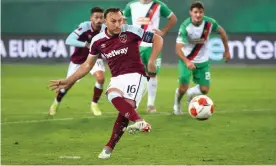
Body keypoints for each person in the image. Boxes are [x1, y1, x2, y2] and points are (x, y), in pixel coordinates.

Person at [49, 8, 163, 159]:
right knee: (112, 95)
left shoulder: (131, 31)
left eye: (120, 20)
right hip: (117, 77)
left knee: (126, 108)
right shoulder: (97, 41)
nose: (118, 24)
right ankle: (137, 122)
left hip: (136, 75)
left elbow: (158, 39)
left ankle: (110, 146)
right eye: (113, 21)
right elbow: (87, 65)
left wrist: (152, 60)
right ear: (105, 22)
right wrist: (68, 80)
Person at [173, 1, 231, 115]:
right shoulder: (185, 26)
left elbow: (222, 32)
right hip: (187, 59)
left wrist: (227, 50)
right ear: (191, 13)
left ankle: (191, 92)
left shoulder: (209, 23)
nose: (198, 15)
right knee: (182, 88)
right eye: (195, 12)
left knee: (204, 90)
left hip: (203, 61)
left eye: (200, 12)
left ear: (203, 12)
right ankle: (177, 103)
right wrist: (186, 61)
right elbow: (178, 48)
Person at [49, 7, 106, 116]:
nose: (99, 20)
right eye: (96, 17)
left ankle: (94, 104)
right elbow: (69, 40)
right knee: (67, 84)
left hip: (94, 58)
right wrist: (86, 45)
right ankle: (55, 103)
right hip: (79, 60)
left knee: (101, 78)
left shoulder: (104, 29)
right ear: (91, 18)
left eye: (101, 17)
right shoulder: (84, 27)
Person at [123, 0, 177, 113]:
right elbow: (122, 19)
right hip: (136, 44)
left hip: (153, 44)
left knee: (152, 72)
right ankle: (133, 102)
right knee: (136, 75)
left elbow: (173, 19)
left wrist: (163, 31)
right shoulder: (131, 5)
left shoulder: (158, 5)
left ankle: (150, 104)